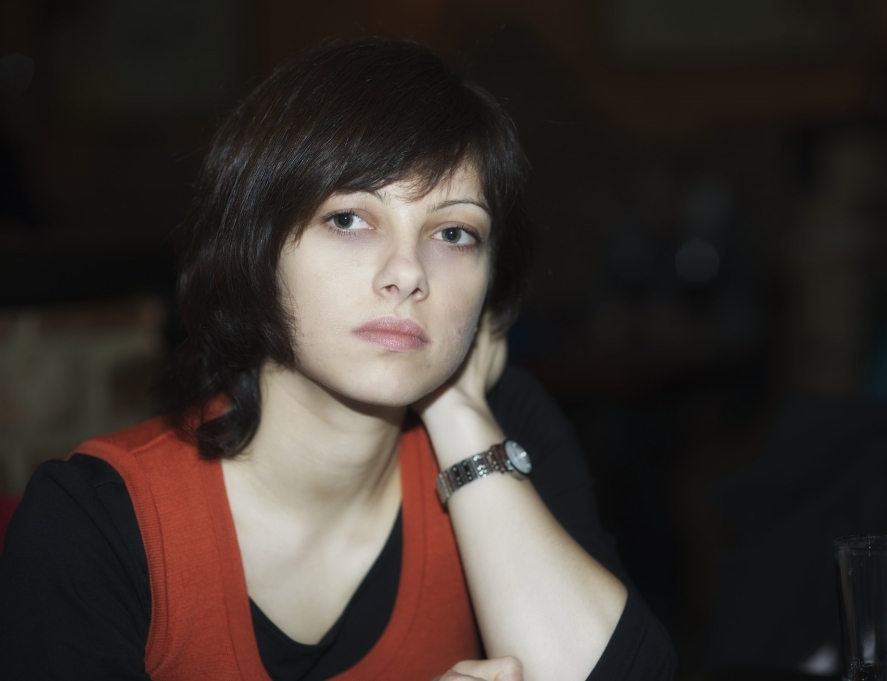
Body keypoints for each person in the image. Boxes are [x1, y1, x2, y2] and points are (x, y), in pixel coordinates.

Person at [0, 38, 675, 681]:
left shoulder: (503, 426)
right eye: (349, 219)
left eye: (453, 233)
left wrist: (459, 409)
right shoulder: (93, 524)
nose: (408, 272)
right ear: (255, 250)